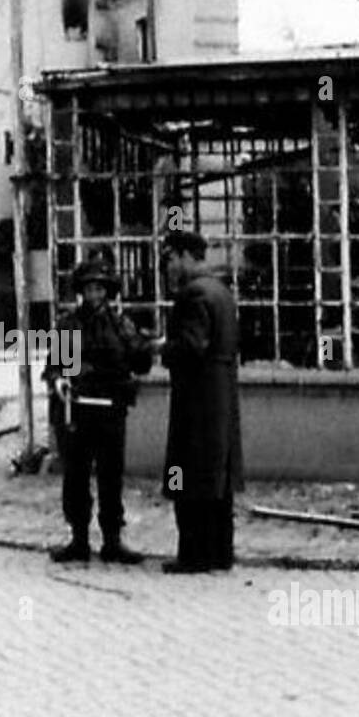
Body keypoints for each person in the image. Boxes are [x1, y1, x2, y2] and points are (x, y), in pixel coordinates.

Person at [46, 254, 152, 564]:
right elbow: (54, 367)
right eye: (89, 289)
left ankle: (112, 541)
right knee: (76, 476)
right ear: (80, 291)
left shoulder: (121, 325)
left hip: (110, 411)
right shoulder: (68, 326)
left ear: (108, 291)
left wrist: (145, 345)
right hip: (76, 413)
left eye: (99, 289)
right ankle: (78, 539)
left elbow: (140, 362)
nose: (94, 295)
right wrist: (59, 382)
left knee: (111, 476)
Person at [159, 231, 241, 573]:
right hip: (221, 395)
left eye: (170, 258)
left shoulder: (193, 294)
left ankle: (192, 553)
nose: (168, 266)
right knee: (217, 478)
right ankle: (220, 551)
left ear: (185, 256)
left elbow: (191, 347)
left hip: (196, 399)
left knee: (184, 474)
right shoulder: (221, 290)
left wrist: (162, 349)